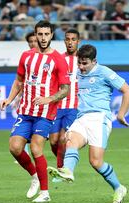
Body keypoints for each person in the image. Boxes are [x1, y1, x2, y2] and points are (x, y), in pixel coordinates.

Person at [48, 44, 129, 203]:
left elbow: (127, 91)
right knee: (70, 139)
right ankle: (67, 171)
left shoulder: (104, 72)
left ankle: (119, 187)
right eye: (79, 63)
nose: (81, 67)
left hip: (99, 119)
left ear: (94, 61)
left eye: (84, 63)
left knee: (95, 162)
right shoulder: (77, 73)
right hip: (81, 118)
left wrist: (121, 114)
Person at [0, 20, 70, 203]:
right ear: (35, 35)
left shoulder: (58, 59)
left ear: (52, 35)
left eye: (47, 34)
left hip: (45, 112)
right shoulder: (26, 56)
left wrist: (49, 99)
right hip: (25, 111)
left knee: (36, 147)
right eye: (40, 34)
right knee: (14, 148)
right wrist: (9, 98)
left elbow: (65, 89)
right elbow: (19, 81)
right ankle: (35, 175)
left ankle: (45, 193)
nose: (43, 38)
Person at [48, 29, 80, 182]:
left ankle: (62, 170)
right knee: (53, 140)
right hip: (57, 105)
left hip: (74, 106)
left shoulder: (83, 60)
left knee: (62, 138)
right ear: (64, 41)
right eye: (67, 39)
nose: (70, 42)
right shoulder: (58, 59)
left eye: (73, 39)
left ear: (78, 41)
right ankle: (66, 160)